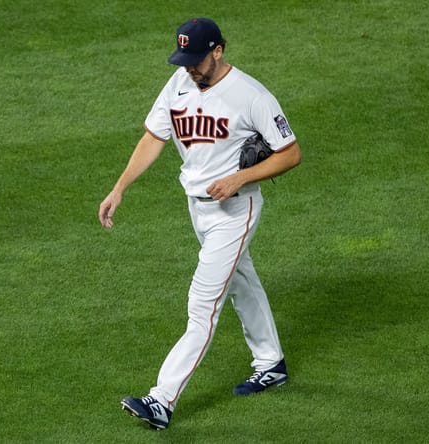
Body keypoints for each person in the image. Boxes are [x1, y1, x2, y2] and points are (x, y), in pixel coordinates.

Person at [98, 18, 302, 430]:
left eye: (196, 59)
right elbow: (154, 137)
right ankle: (271, 362)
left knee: (202, 306)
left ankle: (161, 400)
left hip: (235, 210)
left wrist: (240, 178)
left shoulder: (251, 95)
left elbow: (290, 152)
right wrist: (120, 187)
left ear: (219, 50)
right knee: (241, 280)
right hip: (198, 209)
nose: (190, 67)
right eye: (184, 59)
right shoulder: (178, 83)